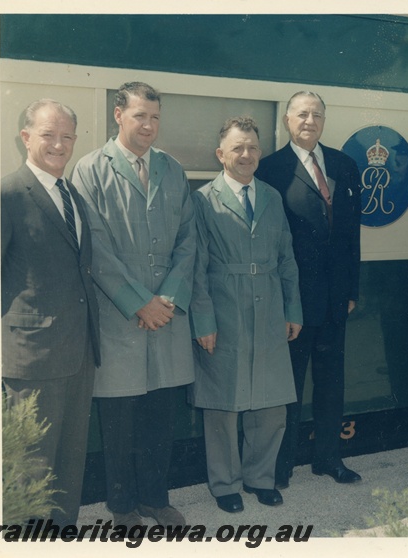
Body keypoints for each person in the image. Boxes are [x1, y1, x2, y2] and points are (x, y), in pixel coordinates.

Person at [72, 82, 196, 527]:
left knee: (160, 418)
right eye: (141, 115)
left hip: (165, 318)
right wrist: (139, 303)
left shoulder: (172, 169)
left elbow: (188, 240)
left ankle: (154, 500)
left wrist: (168, 299)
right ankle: (122, 508)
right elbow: (96, 250)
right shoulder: (89, 170)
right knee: (119, 422)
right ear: (118, 115)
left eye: (156, 117)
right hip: (120, 319)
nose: (149, 125)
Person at [189, 116, 302, 513]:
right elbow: (196, 267)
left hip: (270, 307)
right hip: (224, 310)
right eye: (237, 147)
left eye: (252, 147)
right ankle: (225, 484)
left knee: (270, 404)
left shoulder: (272, 196)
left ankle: (260, 478)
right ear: (221, 154)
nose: (246, 154)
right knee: (223, 403)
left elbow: (287, 258)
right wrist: (203, 321)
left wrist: (293, 309)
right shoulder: (202, 200)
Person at [1, 99, 100, 527]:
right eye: (48, 134)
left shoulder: (71, 194)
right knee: (32, 468)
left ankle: (63, 538)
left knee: (69, 463)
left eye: (67, 137)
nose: (59, 145)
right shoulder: (6, 194)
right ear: (26, 137)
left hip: (78, 353)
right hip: (32, 357)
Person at [255, 91, 362, 486]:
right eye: (302, 114)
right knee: (289, 387)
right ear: (287, 120)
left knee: (332, 382)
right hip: (293, 302)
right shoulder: (270, 169)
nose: (309, 121)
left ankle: (328, 459)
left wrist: (352, 289)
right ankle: (281, 467)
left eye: (316, 115)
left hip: (335, 299)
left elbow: (352, 234)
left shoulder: (344, 165)